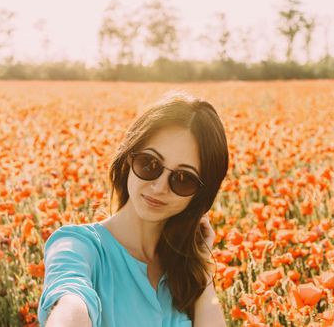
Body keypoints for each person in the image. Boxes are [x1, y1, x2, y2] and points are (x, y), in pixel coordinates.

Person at [37, 92, 229, 327]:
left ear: (200, 195)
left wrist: (203, 266)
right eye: (150, 164)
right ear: (129, 158)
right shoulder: (78, 247)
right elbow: (71, 302)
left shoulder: (184, 273)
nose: (159, 187)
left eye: (183, 178)